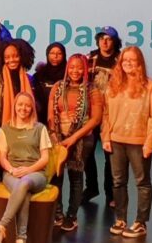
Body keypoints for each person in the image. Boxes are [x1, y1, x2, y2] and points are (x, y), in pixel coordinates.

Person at [102, 47, 152, 239]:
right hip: (116, 141)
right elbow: (105, 114)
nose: (127, 63)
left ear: (140, 62)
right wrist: (105, 137)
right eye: (124, 60)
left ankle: (140, 222)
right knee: (118, 182)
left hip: (139, 142)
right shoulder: (113, 85)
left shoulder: (150, 86)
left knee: (142, 182)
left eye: (132, 59)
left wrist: (149, 143)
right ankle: (120, 219)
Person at [47, 54, 102, 231]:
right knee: (56, 177)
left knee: (76, 177)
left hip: (81, 139)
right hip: (58, 138)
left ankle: (71, 216)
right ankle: (57, 214)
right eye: (72, 67)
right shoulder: (58, 86)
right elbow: (50, 115)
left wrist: (73, 137)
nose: (75, 71)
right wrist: (54, 135)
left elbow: (95, 119)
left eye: (79, 67)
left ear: (85, 69)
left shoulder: (92, 90)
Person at [0, 92, 51, 243]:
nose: (23, 108)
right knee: (24, 192)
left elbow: (45, 158)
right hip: (12, 172)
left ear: (32, 108)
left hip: (36, 173)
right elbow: (2, 158)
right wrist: (11, 170)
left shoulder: (39, 128)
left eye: (28, 106)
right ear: (15, 106)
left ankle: (1, 227)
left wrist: (28, 170)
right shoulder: (5, 129)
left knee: (24, 183)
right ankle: (21, 238)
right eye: (20, 104)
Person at [85, 26, 122, 206]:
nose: (104, 42)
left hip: (111, 113)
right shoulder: (89, 58)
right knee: (86, 151)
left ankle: (110, 194)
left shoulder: (121, 60)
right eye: (101, 39)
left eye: (108, 39)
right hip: (91, 111)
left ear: (115, 41)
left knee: (110, 155)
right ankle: (91, 187)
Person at [0, 39, 35, 143]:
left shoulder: (29, 79)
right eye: (7, 57)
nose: (12, 60)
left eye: (16, 56)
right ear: (1, 58)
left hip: (26, 132)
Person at [32, 43, 67, 125]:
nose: (55, 56)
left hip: (64, 118)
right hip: (41, 118)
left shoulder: (69, 74)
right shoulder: (39, 75)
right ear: (47, 54)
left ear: (64, 55)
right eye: (52, 53)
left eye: (59, 53)